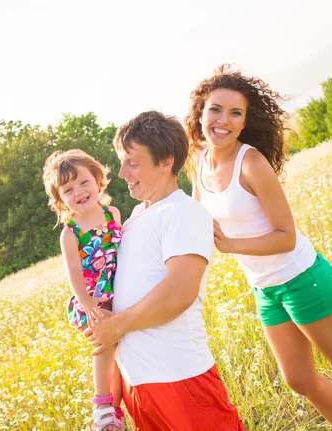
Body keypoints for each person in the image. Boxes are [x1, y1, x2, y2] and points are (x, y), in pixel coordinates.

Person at [186, 64, 332, 431]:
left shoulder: (251, 162)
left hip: (301, 277)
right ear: (200, 113)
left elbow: (285, 235)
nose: (223, 120)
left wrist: (230, 244)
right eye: (215, 109)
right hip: (266, 288)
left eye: (235, 113)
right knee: (298, 380)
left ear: (243, 122)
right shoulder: (198, 163)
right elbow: (194, 220)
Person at [85, 111, 245, 431]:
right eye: (121, 161)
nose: (122, 172)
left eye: (132, 162)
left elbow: (180, 291)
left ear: (165, 162)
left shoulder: (184, 212)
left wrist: (115, 326)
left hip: (180, 378)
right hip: (139, 383)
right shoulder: (133, 218)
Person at [43, 149, 124, 431]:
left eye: (84, 182)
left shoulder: (112, 213)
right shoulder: (71, 232)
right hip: (92, 299)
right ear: (60, 200)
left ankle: (116, 411)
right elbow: (74, 274)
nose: (78, 192)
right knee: (106, 343)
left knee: (122, 355)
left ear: (99, 180)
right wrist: (89, 304)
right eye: (68, 189)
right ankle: (102, 407)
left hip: (119, 292)